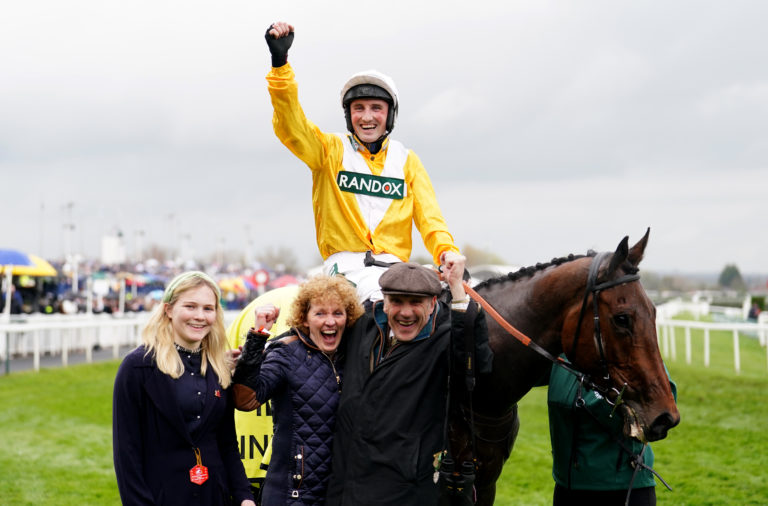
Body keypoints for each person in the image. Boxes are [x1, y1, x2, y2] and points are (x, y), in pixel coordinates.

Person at [265, 21, 462, 301]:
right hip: (344, 270)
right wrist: (280, 64)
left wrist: (446, 252)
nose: (367, 117)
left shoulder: (407, 160)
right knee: (387, 300)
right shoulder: (328, 150)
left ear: (389, 115)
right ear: (349, 115)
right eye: (359, 108)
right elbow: (290, 125)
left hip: (397, 270)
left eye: (376, 108)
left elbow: (431, 220)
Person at [325, 255, 493, 505]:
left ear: (432, 302)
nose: (405, 312)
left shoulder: (445, 339)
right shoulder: (364, 325)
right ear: (384, 301)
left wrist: (457, 289)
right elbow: (317, 333)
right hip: (345, 481)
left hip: (403, 488)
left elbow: (475, 365)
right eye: (397, 301)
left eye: (416, 302)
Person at [112, 271, 255, 506]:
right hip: (160, 497)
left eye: (208, 309)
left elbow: (227, 443)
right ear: (169, 309)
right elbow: (126, 453)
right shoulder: (137, 367)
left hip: (214, 496)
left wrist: (244, 496)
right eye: (190, 306)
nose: (200, 316)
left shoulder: (218, 367)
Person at [232, 276, 364, 505]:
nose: (330, 321)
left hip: (339, 493)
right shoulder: (286, 353)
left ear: (348, 317)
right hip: (292, 494)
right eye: (320, 313)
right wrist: (257, 337)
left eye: (338, 313)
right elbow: (245, 399)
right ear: (305, 318)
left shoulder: (355, 354)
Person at [547, 357, 678, 506]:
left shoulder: (629, 349)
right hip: (567, 489)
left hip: (624, 490)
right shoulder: (562, 350)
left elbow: (663, 404)